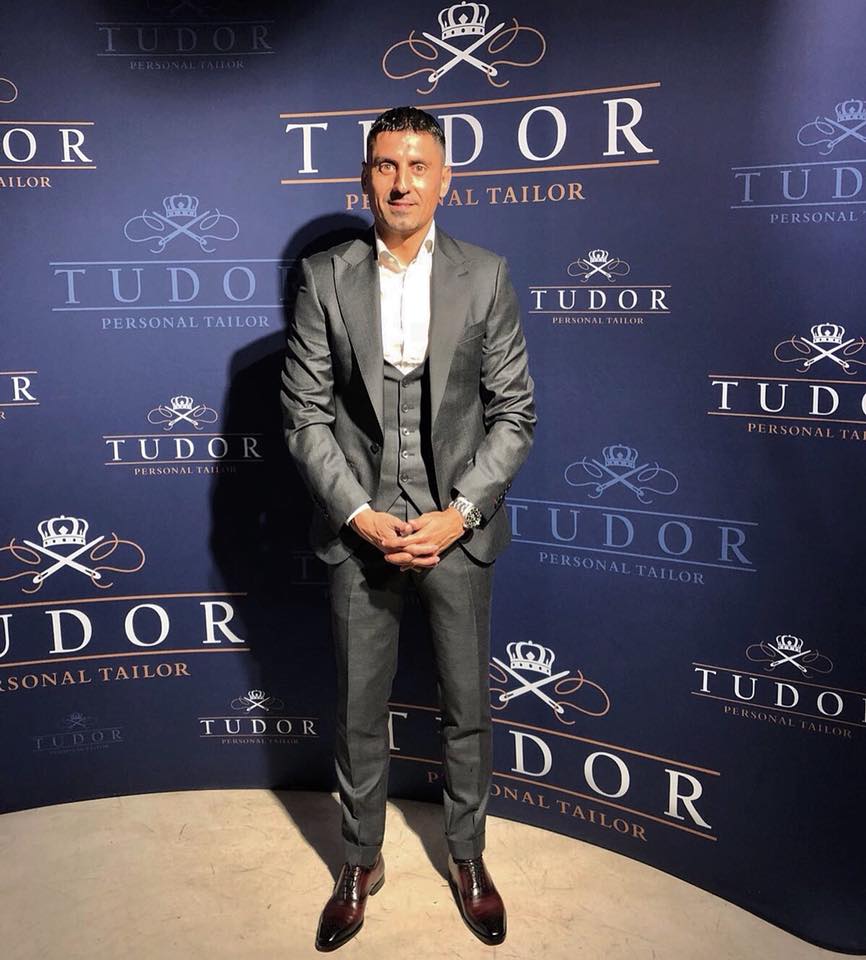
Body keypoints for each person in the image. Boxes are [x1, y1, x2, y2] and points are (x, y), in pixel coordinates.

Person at [280, 106, 535, 951]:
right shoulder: (324, 276)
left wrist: (459, 514)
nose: (401, 183)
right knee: (359, 707)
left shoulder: (486, 275)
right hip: (360, 531)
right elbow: (305, 416)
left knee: (466, 706)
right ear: (366, 177)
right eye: (386, 165)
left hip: (456, 527)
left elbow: (514, 415)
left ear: (444, 179)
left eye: (418, 166)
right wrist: (359, 514)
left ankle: (467, 856)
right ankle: (360, 860)